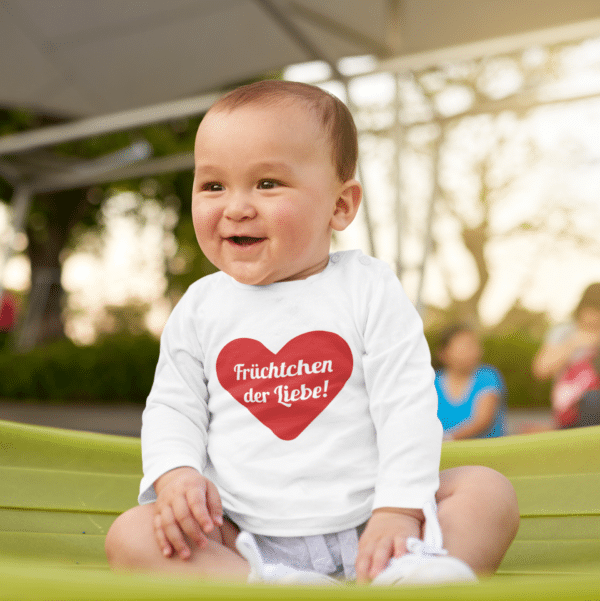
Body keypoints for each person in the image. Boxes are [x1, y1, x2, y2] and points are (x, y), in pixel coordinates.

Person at [105, 80, 519, 586]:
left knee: (487, 493)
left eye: (267, 184)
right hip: (244, 536)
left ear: (340, 206)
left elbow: (406, 404)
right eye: (213, 186)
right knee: (132, 535)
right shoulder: (200, 308)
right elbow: (173, 406)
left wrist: (399, 507)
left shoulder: (368, 289)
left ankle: (417, 572)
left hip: (377, 524)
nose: (236, 206)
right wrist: (176, 475)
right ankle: (271, 585)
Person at [532, 283, 600, 428]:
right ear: (582, 309)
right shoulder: (564, 332)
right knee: (593, 400)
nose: (595, 318)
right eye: (592, 311)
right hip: (572, 413)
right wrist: (573, 343)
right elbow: (541, 370)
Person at [434, 325, 506, 440]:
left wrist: (447, 438)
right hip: (444, 455)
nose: (476, 351)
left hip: (485, 453)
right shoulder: (432, 382)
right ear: (443, 353)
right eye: (466, 346)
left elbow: (482, 421)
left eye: (475, 346)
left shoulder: (488, 376)